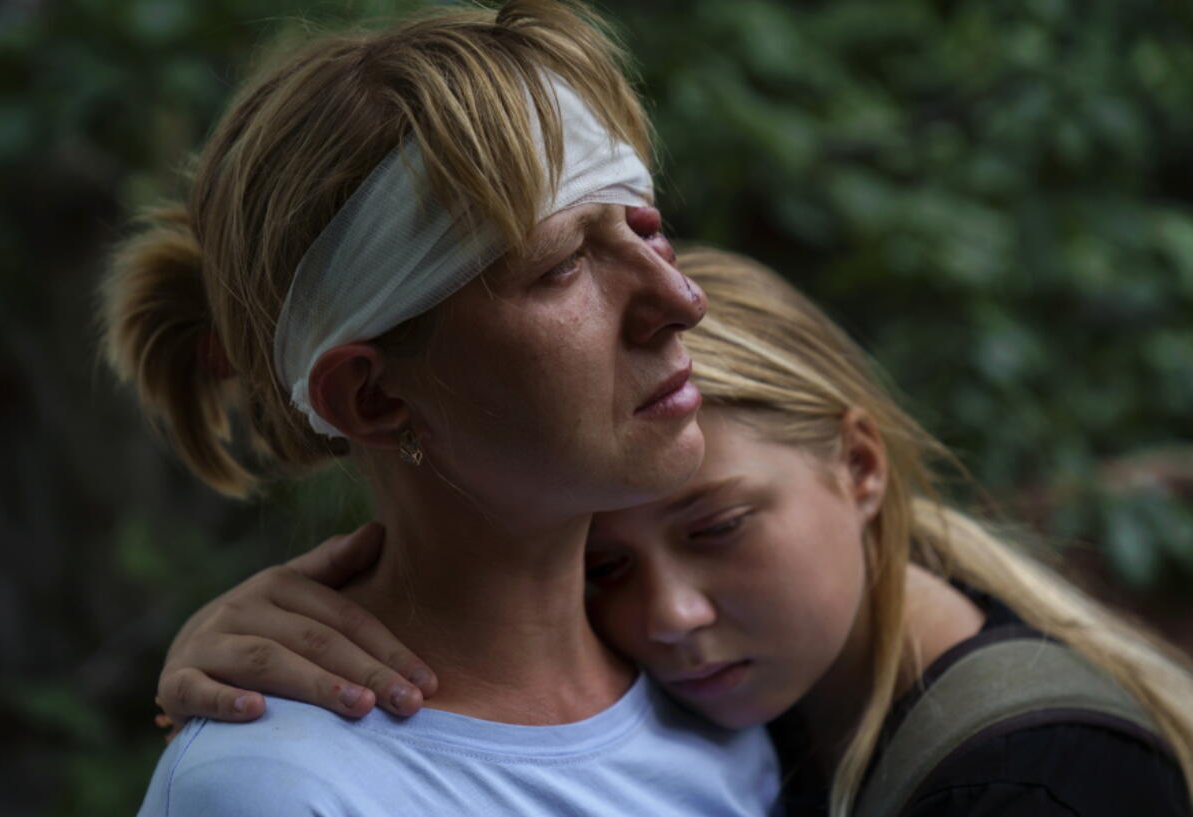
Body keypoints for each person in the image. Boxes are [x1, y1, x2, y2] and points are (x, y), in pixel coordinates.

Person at [157, 248, 1193, 816]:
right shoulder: (749, 702)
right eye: (601, 563)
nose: (669, 615)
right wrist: (251, 636)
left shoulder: (1040, 784)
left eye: (720, 525)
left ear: (861, 466)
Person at [103, 3, 783, 815]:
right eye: (563, 265)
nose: (680, 299)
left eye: (643, 225)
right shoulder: (284, 788)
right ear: (373, 395)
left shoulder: (732, 671)